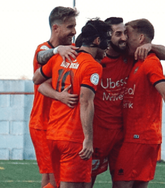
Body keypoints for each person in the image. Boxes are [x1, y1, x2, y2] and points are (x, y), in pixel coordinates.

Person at [90, 17, 165, 188]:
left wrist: (151, 46)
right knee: (85, 181)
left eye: (125, 34)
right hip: (98, 133)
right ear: (107, 36)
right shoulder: (96, 60)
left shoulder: (135, 57)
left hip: (124, 136)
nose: (124, 38)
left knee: (123, 181)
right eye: (119, 34)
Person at [33, 18, 111, 188]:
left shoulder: (62, 56)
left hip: (53, 135)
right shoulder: (92, 65)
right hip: (73, 137)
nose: (108, 47)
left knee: (55, 185)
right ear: (97, 41)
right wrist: (89, 139)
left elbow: (37, 80)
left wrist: (57, 95)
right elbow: (85, 102)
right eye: (107, 41)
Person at [112, 18, 165, 188]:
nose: (125, 39)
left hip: (138, 138)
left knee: (121, 184)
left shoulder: (150, 62)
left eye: (127, 34)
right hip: (143, 138)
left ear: (141, 38)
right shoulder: (136, 60)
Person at [29, 6, 79, 188]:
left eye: (75, 26)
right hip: (42, 124)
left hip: (59, 124)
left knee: (53, 177)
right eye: (70, 27)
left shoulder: (72, 49)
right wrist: (57, 50)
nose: (74, 31)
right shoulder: (44, 49)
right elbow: (40, 79)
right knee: (53, 178)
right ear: (56, 28)